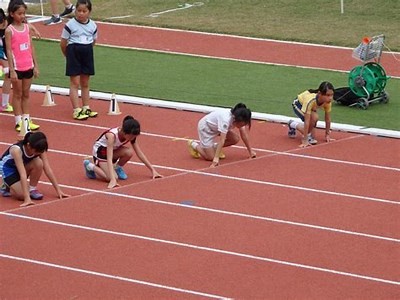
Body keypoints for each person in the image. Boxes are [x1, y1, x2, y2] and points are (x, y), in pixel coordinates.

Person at [83, 115, 162, 188]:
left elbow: (139, 153)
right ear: (125, 132)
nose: (133, 138)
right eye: (132, 136)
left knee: (129, 152)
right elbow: (109, 158)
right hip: (101, 154)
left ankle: (117, 167)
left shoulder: (130, 135)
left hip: (113, 151)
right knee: (111, 177)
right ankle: (90, 166)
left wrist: (153, 170)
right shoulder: (111, 136)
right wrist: (113, 179)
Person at [0, 132, 70, 207]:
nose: (37, 154)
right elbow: (22, 173)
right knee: (22, 195)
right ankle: (6, 184)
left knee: (39, 163)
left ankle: (32, 189)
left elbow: (47, 168)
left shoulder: (39, 149)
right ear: (29, 146)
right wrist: (27, 198)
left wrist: (58, 190)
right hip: (8, 169)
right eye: (36, 152)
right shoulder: (16, 150)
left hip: (22, 166)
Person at [5, 0, 40, 132]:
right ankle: (18, 120)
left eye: (24, 13)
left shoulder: (27, 27)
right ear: (12, 14)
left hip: (28, 66)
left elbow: (31, 47)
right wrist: (12, 70)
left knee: (26, 94)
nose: (22, 16)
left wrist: (35, 65)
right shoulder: (10, 30)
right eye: (19, 13)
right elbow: (9, 50)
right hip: (17, 68)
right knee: (17, 94)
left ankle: (27, 118)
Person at [60, 0, 97, 120]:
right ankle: (77, 110)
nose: (81, 13)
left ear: (89, 12)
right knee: (75, 83)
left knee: (85, 83)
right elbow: (63, 42)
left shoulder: (93, 25)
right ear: (75, 10)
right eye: (79, 11)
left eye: (84, 11)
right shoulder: (70, 25)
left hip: (87, 53)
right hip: (73, 52)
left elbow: (93, 41)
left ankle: (86, 107)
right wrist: (67, 55)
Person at [187, 103, 256, 167]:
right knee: (210, 157)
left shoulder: (240, 117)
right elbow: (222, 140)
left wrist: (250, 151)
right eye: (243, 124)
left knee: (235, 139)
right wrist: (216, 158)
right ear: (237, 120)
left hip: (217, 128)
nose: (243, 126)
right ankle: (193, 145)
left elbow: (244, 135)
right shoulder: (225, 120)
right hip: (206, 129)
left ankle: (214, 148)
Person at [288, 81, 335, 148]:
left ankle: (293, 125)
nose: (330, 98)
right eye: (327, 95)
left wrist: (327, 134)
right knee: (314, 118)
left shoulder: (328, 102)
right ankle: (293, 124)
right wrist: (305, 139)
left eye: (331, 95)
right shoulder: (310, 100)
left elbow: (327, 119)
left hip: (311, 107)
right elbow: (307, 121)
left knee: (312, 131)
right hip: (298, 104)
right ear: (319, 93)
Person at [0, 8, 12, 113]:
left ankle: (4, 104)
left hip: (5, 50)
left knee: (8, 74)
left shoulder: (9, 24)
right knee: (8, 71)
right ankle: (4, 104)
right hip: (1, 51)